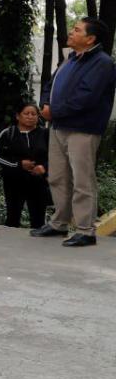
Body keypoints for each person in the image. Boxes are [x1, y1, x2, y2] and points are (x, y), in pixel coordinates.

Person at [34, 16, 116, 246]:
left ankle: (85, 230)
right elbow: (50, 85)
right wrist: (44, 105)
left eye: (77, 30)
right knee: (58, 177)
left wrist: (54, 111)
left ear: (90, 39)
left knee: (82, 180)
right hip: (59, 126)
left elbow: (86, 98)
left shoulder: (102, 63)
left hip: (83, 130)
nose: (71, 32)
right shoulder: (70, 59)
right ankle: (59, 224)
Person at [0, 102, 50, 229]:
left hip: (37, 181)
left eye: (33, 114)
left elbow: (56, 155)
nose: (30, 116)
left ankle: (38, 246)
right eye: (26, 113)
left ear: (38, 117)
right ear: (18, 116)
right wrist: (18, 164)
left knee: (38, 219)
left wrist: (44, 168)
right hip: (13, 181)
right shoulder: (8, 133)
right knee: (12, 217)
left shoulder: (45, 134)